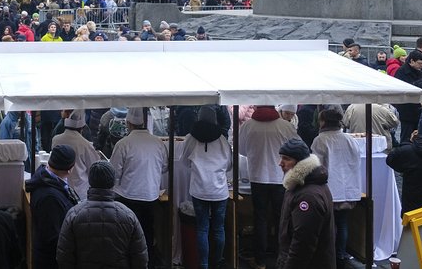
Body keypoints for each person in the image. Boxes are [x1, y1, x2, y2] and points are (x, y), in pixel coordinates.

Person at [55, 161, 148, 269]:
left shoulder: (75, 213)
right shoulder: (128, 215)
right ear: (113, 182)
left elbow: (64, 256)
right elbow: (140, 258)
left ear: (90, 181)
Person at [238, 105, 296, 269]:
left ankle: (260, 260)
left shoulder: (248, 125)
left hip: (257, 176)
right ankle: (280, 256)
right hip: (280, 177)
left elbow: (242, 150)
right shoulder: (285, 126)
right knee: (280, 217)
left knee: (260, 218)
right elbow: (298, 147)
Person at [109, 107, 166, 266]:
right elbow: (165, 167)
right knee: (147, 233)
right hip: (151, 195)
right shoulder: (158, 142)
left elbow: (113, 173)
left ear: (128, 123)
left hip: (128, 196)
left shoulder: (123, 144)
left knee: (127, 234)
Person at [179, 106, 232, 269]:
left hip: (199, 189)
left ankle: (203, 265)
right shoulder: (222, 139)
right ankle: (217, 262)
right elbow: (229, 165)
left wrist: (197, 168)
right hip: (219, 191)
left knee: (202, 229)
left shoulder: (191, 138)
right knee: (218, 228)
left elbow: (184, 161)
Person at [311, 109, 362, 269]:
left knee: (328, 226)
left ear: (323, 122)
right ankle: (340, 254)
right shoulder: (349, 139)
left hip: (329, 188)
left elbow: (316, 166)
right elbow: (357, 159)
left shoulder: (321, 140)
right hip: (348, 188)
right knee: (342, 223)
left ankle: (329, 256)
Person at [277, 138, 336, 269]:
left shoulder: (308, 196)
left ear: (300, 164)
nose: (280, 163)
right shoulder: (300, 186)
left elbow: (303, 244)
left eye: (286, 159)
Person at [25, 144, 80, 269]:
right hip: (50, 261)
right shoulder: (50, 197)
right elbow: (52, 238)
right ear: (70, 169)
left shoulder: (47, 181)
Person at [50, 109, 100, 198]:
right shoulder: (85, 145)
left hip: (59, 187)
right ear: (82, 128)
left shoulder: (56, 140)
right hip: (80, 192)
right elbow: (93, 168)